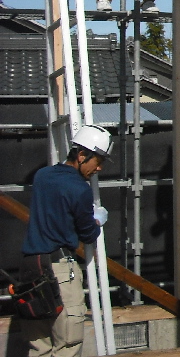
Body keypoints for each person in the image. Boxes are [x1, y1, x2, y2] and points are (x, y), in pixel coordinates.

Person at [20, 125, 112, 357]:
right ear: (81, 155)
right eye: (98, 161)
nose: (99, 168)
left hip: (31, 268)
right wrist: (97, 220)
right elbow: (88, 234)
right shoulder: (79, 189)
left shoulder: (42, 176)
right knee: (67, 345)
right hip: (59, 271)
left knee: (38, 346)